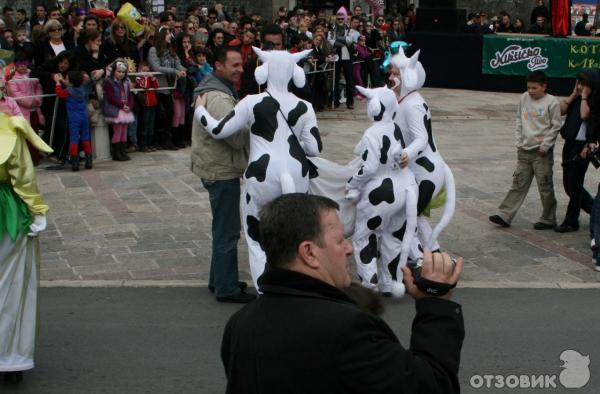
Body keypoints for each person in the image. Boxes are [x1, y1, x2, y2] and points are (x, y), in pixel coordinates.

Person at [221, 193, 465, 393]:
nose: (349, 249)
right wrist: (435, 305)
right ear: (309, 253)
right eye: (339, 241)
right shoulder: (347, 329)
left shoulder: (240, 323)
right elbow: (433, 386)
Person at [190, 46, 254, 303]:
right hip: (221, 170)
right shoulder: (218, 97)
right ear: (218, 66)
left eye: (241, 64)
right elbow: (235, 138)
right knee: (227, 230)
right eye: (235, 65)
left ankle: (219, 280)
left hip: (215, 166)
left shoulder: (216, 89)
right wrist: (251, 124)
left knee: (222, 227)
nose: (240, 69)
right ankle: (226, 288)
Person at [0, 112, 52, 384]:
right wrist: (38, 211)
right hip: (6, 212)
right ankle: (10, 357)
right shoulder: (10, 127)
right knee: (13, 283)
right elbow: (23, 177)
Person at [489, 71, 562, 229]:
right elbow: (518, 119)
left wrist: (546, 145)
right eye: (529, 87)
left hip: (541, 152)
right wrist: (519, 140)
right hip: (524, 149)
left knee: (545, 185)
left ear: (544, 86)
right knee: (518, 182)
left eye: (534, 88)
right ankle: (505, 214)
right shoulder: (524, 98)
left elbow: (556, 126)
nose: (531, 91)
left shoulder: (552, 102)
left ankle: (549, 218)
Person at [555, 71, 598, 233]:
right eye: (577, 83)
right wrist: (574, 94)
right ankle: (595, 210)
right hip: (570, 144)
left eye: (583, 84)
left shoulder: (592, 101)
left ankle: (571, 220)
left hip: (584, 147)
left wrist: (585, 97)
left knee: (575, 184)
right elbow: (560, 110)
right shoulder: (577, 98)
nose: (580, 87)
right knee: (569, 185)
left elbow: (585, 115)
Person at [54, 70, 93, 171]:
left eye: (67, 79)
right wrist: (63, 80)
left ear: (71, 82)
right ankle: (89, 161)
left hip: (74, 119)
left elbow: (60, 93)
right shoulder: (82, 88)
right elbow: (70, 85)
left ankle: (74, 162)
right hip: (84, 117)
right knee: (85, 138)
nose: (65, 80)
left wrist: (58, 83)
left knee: (74, 139)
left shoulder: (68, 91)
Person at [103, 59, 135, 161]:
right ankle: (116, 153)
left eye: (123, 72)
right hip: (116, 109)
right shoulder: (109, 82)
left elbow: (130, 96)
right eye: (118, 71)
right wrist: (122, 105)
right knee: (118, 130)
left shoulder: (126, 82)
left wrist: (129, 105)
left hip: (125, 109)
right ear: (114, 71)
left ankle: (122, 151)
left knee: (124, 130)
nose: (121, 74)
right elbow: (111, 97)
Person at [328, 8, 355, 110]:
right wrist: (342, 41)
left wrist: (338, 39)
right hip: (336, 56)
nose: (340, 20)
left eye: (342, 19)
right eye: (338, 19)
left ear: (345, 19)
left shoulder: (349, 29)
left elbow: (350, 40)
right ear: (336, 19)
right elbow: (330, 41)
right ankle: (335, 101)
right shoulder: (332, 29)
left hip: (347, 56)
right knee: (335, 79)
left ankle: (350, 102)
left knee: (349, 79)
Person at [135, 61, 159, 152]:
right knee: (144, 126)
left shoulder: (150, 77)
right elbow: (145, 86)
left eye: (147, 70)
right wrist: (145, 76)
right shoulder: (138, 78)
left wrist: (152, 77)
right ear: (139, 70)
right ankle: (143, 145)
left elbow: (156, 86)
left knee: (151, 126)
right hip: (144, 105)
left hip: (152, 104)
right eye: (143, 70)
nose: (146, 72)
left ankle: (149, 144)